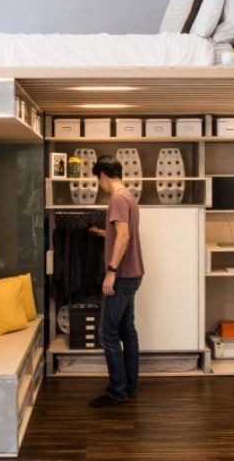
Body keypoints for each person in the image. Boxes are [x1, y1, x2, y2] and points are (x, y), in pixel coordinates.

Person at [87, 155, 144, 408]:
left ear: (102, 175)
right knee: (127, 332)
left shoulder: (117, 199)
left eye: (97, 179)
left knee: (108, 334)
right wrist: (103, 233)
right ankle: (129, 387)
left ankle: (117, 392)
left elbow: (123, 235)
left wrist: (111, 271)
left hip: (121, 277)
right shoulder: (129, 196)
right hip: (133, 273)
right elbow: (120, 233)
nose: (98, 184)